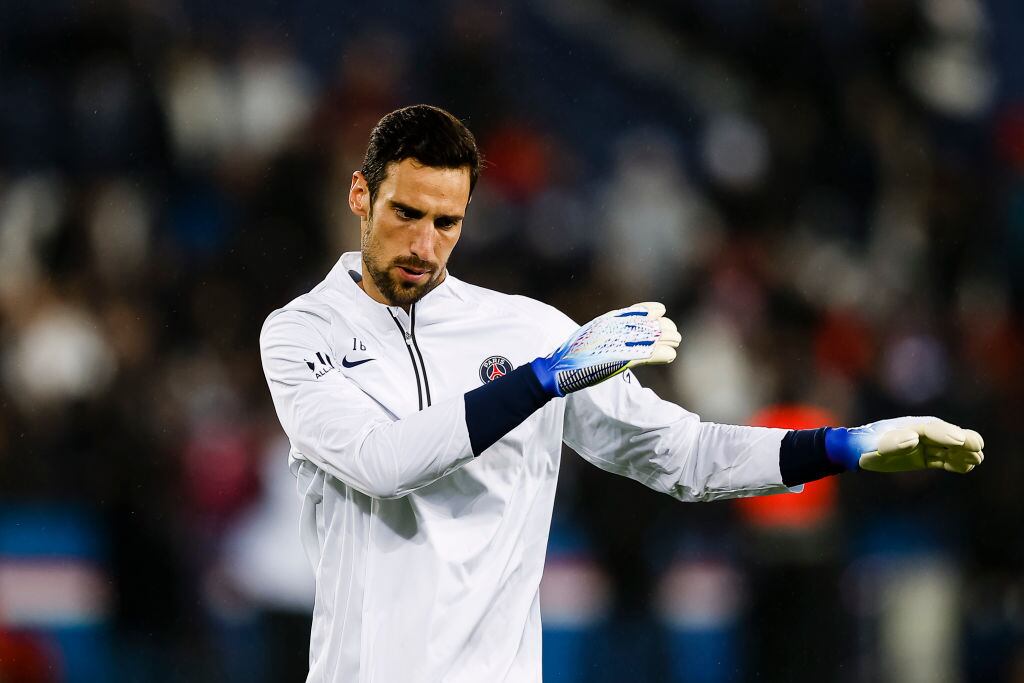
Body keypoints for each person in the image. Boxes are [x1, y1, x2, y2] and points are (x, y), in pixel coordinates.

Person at [259, 104, 985, 682]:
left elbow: (683, 455)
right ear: (362, 193)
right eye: (405, 213)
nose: (424, 244)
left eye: (447, 222)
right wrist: (542, 379)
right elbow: (385, 462)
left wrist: (845, 445)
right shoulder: (299, 333)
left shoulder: (528, 328)